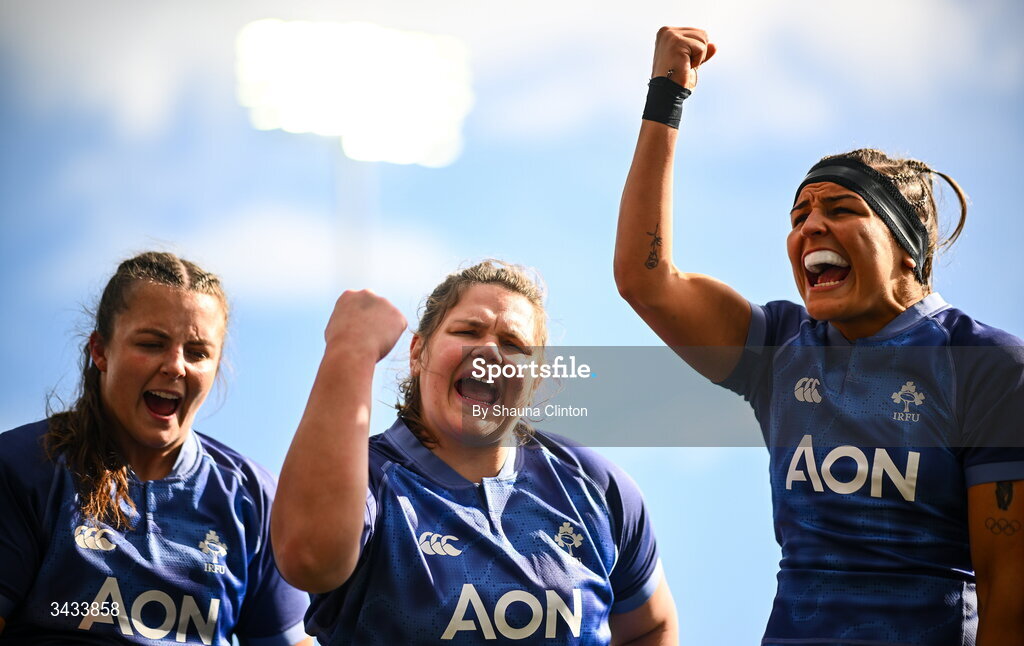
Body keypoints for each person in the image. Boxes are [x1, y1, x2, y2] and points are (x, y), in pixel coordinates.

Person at [614, 27, 1024, 646]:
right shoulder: (780, 346)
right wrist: (667, 96)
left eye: (841, 209)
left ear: (908, 245)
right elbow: (647, 280)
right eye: (800, 215)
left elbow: (1009, 592)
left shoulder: (986, 364)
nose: (811, 226)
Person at [272, 260, 677, 645]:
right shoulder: (368, 480)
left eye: (513, 344)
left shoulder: (594, 487)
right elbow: (308, 558)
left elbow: (651, 627)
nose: (489, 353)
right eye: (467, 332)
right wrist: (352, 349)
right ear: (417, 353)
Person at [0, 252, 311, 645]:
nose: (176, 366)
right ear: (100, 351)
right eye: (151, 344)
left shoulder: (252, 497)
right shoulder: (24, 467)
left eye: (198, 353)